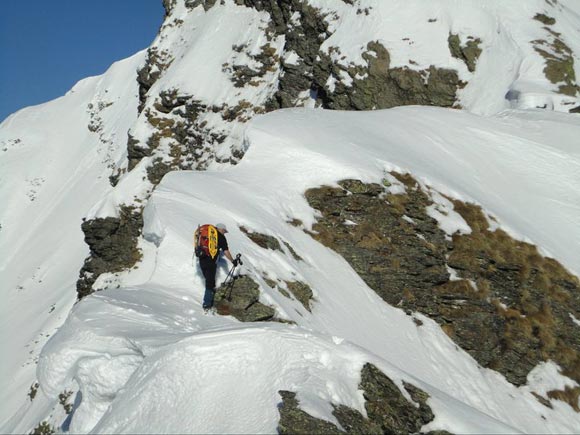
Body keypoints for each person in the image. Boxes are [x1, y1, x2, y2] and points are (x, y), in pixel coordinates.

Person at [197, 223, 237, 310]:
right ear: (221, 229)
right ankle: (207, 305)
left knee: (208, 279)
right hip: (211, 260)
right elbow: (225, 251)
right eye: (224, 231)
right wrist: (232, 260)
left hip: (201, 258)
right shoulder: (221, 237)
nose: (224, 233)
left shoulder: (206, 232)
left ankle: (211, 294)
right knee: (209, 283)